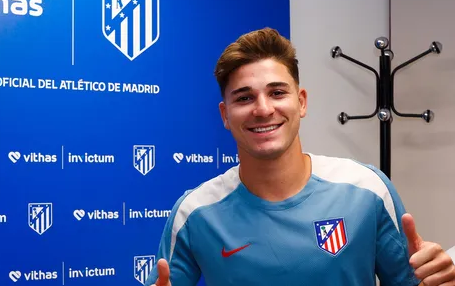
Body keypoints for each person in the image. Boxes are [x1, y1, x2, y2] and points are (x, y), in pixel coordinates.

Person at [144, 28, 455, 286]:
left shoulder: (366, 189)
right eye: (244, 97)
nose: (263, 109)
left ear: (301, 102)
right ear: (225, 115)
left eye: (277, 92)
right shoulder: (194, 212)